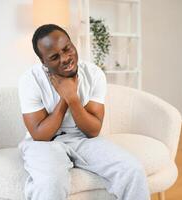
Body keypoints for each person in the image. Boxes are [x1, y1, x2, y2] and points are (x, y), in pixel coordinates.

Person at [18, 24, 150, 200]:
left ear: (73, 44)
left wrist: (72, 98)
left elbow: (93, 130)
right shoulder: (30, 80)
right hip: (43, 144)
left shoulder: (94, 74)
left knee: (132, 170)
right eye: (55, 57)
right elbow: (40, 135)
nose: (65, 58)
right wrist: (64, 99)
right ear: (43, 62)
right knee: (51, 183)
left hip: (84, 139)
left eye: (67, 49)